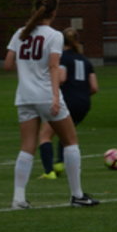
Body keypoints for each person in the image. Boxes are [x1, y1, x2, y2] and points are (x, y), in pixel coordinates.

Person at [3, 0, 99, 208]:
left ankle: (18, 198)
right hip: (46, 95)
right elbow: (54, 66)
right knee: (70, 141)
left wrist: (27, 69)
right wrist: (56, 97)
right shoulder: (54, 35)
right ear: (54, 12)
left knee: (27, 147)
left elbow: (8, 64)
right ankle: (77, 195)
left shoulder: (20, 33)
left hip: (24, 96)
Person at [38, 27, 99, 178]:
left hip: (67, 100)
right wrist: (81, 94)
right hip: (83, 103)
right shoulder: (86, 61)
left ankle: (49, 172)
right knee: (66, 134)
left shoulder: (62, 57)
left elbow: (62, 78)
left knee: (45, 135)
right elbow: (94, 87)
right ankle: (60, 163)